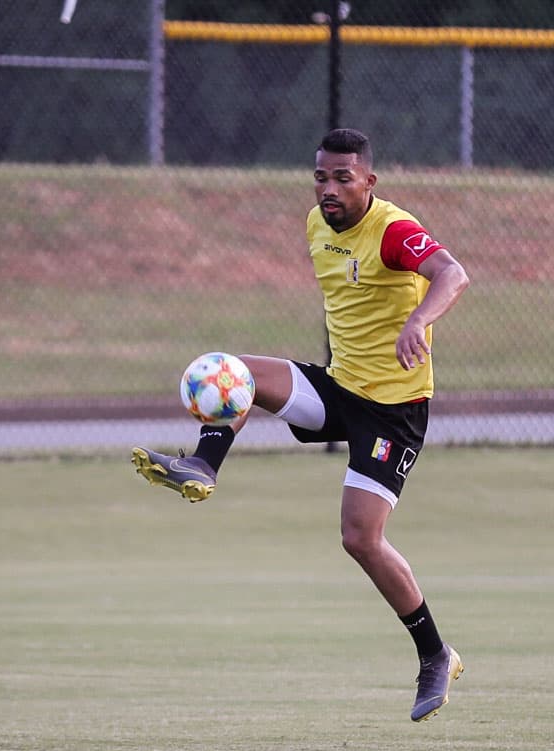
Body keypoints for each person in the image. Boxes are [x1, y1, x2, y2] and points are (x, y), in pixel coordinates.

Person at [131, 128, 470, 722]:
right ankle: (202, 465)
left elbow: (453, 274)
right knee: (230, 370)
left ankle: (436, 655)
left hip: (393, 409)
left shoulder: (393, 230)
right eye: (321, 177)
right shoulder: (317, 225)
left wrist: (418, 321)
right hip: (341, 388)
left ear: (369, 180)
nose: (330, 188)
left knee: (359, 538)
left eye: (344, 177)